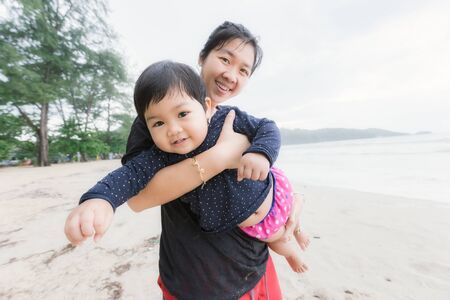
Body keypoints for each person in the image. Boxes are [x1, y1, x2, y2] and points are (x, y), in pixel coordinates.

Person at [65, 21, 307, 299]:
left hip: (254, 263)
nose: (231, 75)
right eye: (225, 59)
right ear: (203, 58)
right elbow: (137, 191)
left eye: (243, 70)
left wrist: (293, 201)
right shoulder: (158, 117)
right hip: (199, 278)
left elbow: (266, 155)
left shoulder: (232, 116)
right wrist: (99, 198)